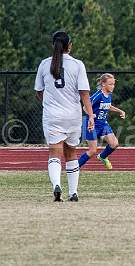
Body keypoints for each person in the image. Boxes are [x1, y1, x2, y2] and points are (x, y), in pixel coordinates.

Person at [34, 30, 95, 202]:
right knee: (71, 154)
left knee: (54, 153)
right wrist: (90, 115)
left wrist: (49, 102)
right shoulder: (77, 65)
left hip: (52, 115)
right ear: (69, 46)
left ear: (53, 45)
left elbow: (38, 91)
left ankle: (56, 186)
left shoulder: (44, 64)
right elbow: (84, 93)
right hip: (73, 115)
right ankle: (73, 192)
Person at [78, 73, 126, 170]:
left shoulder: (109, 95)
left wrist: (120, 111)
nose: (112, 86)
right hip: (92, 125)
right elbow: (85, 107)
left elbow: (108, 106)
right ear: (103, 84)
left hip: (103, 124)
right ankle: (74, 168)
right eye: (110, 84)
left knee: (114, 144)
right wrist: (91, 116)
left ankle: (103, 156)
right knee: (92, 151)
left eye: (113, 84)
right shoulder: (98, 95)